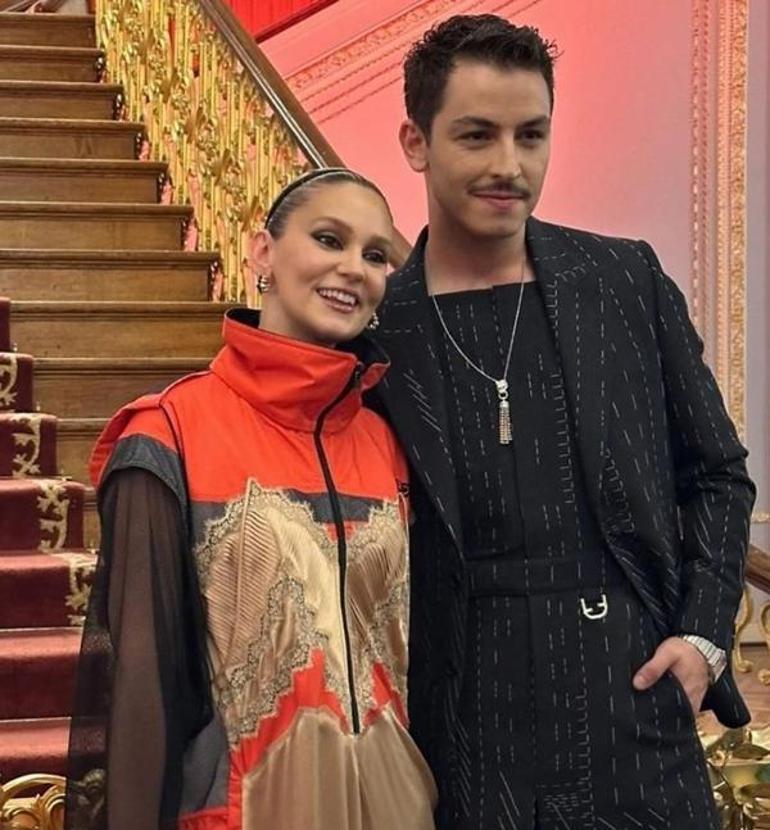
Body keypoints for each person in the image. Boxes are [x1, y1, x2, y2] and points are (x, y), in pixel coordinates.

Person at [371, 14, 756, 829]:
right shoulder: (378, 329)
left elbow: (718, 474)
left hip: (634, 702)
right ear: (416, 142)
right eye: (476, 135)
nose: (508, 165)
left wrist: (702, 639)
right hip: (464, 730)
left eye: (531, 135)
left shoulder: (622, 280)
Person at [65, 167, 437, 830]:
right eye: (329, 239)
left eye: (376, 254)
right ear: (263, 251)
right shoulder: (170, 435)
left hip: (397, 807)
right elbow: (140, 690)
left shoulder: (387, 441)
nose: (354, 268)